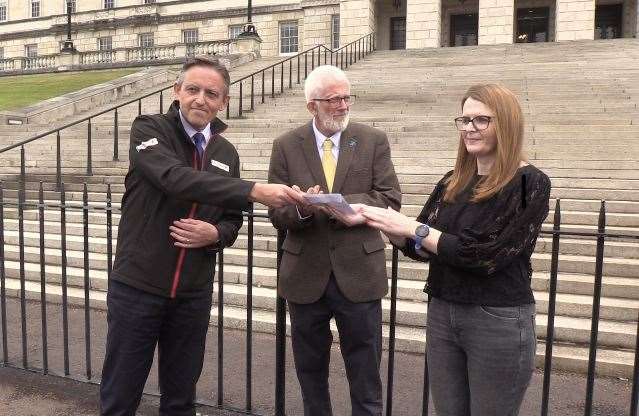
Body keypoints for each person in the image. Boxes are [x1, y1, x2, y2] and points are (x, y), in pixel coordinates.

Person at [99, 56, 304, 415]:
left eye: (212, 93)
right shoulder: (149, 129)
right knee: (121, 392)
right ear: (176, 91)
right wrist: (253, 189)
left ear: (223, 101)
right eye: (192, 89)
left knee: (181, 397)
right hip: (138, 286)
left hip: (192, 293)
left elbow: (232, 220)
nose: (200, 99)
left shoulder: (226, 153)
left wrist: (215, 234)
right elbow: (172, 178)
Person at [361, 84, 551, 415]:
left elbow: (484, 255)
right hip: (443, 311)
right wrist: (380, 223)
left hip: (496, 317)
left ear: (505, 123)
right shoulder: (453, 180)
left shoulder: (528, 183)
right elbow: (420, 245)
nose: (469, 128)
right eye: (464, 120)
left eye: (481, 120)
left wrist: (414, 229)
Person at [268, 65, 401, 415]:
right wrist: (303, 209)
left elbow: (390, 197)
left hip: (358, 272)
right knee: (310, 371)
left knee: (365, 370)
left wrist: (354, 208)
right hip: (305, 276)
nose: (343, 106)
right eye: (333, 100)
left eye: (346, 97)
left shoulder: (372, 140)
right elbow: (276, 212)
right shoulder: (285, 146)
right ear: (312, 105)